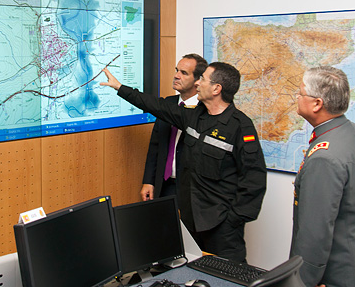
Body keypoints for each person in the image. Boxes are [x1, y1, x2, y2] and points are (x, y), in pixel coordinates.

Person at [101, 62, 267, 263]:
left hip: (221, 228)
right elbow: (158, 106)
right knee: (191, 272)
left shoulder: (241, 127)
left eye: (203, 79)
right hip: (190, 221)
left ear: (216, 89)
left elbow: (254, 180)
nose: (198, 83)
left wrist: (233, 220)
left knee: (229, 277)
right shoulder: (195, 116)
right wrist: (120, 88)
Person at [290, 66, 355, 287]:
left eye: (301, 93)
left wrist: (303, 280)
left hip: (339, 273)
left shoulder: (324, 157)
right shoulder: (354, 132)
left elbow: (316, 231)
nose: (297, 97)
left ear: (317, 103)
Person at [141, 54, 208, 201]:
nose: (176, 75)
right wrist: (148, 181)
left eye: (184, 73)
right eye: (177, 70)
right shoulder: (167, 104)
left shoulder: (205, 111)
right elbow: (155, 147)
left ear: (198, 81)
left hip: (191, 189)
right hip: (164, 185)